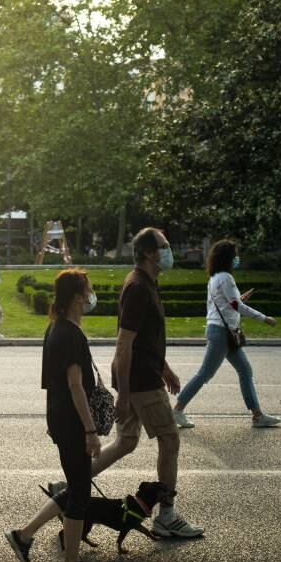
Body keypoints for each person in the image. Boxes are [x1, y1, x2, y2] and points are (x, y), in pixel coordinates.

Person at [89, 227, 204, 538]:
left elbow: (145, 339)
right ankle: (166, 515)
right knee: (170, 441)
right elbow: (124, 343)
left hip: (143, 375)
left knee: (126, 442)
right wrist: (124, 394)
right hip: (139, 381)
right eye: (165, 246)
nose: (169, 251)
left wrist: (165, 368)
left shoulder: (147, 283)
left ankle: (72, 486)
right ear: (151, 253)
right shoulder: (139, 287)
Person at [5, 269, 101, 562]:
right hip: (72, 423)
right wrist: (90, 430)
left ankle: (24, 535)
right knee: (80, 493)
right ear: (76, 296)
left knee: (76, 486)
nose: (90, 295)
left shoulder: (56, 327)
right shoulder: (70, 334)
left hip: (60, 418)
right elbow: (75, 385)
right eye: (87, 289)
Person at [173, 240, 281, 428]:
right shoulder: (226, 278)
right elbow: (235, 306)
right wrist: (264, 318)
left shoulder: (215, 278)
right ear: (228, 257)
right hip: (222, 333)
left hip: (223, 332)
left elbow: (229, 304)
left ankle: (257, 415)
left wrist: (239, 300)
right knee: (205, 373)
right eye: (235, 255)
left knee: (245, 370)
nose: (237, 258)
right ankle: (176, 410)